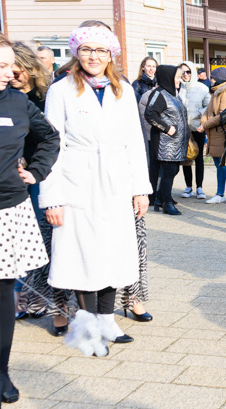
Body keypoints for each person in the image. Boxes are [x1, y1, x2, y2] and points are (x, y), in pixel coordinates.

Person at [40, 25, 150, 356]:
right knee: (83, 254)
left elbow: (134, 141)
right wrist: (52, 196)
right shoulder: (60, 91)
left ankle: (106, 319)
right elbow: (50, 146)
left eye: (101, 51)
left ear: (110, 56)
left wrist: (140, 189)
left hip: (116, 181)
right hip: (78, 180)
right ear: (77, 52)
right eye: (87, 50)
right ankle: (87, 325)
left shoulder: (123, 90)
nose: (94, 57)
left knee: (113, 252)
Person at [0, 30, 59, 409]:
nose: (11, 72)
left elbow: (50, 139)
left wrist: (37, 171)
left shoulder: (17, 101)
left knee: (5, 295)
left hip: (10, 212)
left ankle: (0, 376)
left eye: (13, 65)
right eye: (2, 65)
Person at [10, 42, 53, 319]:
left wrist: (33, 165)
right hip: (10, 178)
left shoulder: (46, 97)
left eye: (17, 71)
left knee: (39, 235)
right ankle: (16, 295)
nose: (12, 77)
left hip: (40, 175)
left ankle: (35, 293)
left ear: (30, 68)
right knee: (14, 238)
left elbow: (52, 138)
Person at [143, 65, 189, 215]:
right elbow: (150, 114)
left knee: (173, 170)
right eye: (177, 77)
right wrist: (167, 128)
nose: (179, 80)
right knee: (169, 171)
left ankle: (161, 198)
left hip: (176, 142)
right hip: (165, 142)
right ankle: (166, 203)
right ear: (168, 78)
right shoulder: (159, 94)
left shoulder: (173, 94)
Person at [201, 67, 226, 205]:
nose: (210, 80)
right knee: (218, 165)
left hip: (222, 134)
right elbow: (207, 111)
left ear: (217, 79)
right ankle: (220, 193)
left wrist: (205, 125)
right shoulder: (215, 93)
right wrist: (203, 121)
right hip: (214, 133)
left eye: (212, 77)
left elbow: (223, 116)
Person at [178, 60, 209, 200]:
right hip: (183, 129)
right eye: (183, 72)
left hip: (197, 128)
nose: (185, 75)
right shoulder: (178, 87)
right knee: (186, 158)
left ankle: (200, 187)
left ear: (193, 72)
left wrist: (199, 113)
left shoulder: (202, 88)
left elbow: (208, 106)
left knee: (199, 159)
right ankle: (188, 186)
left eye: (188, 71)